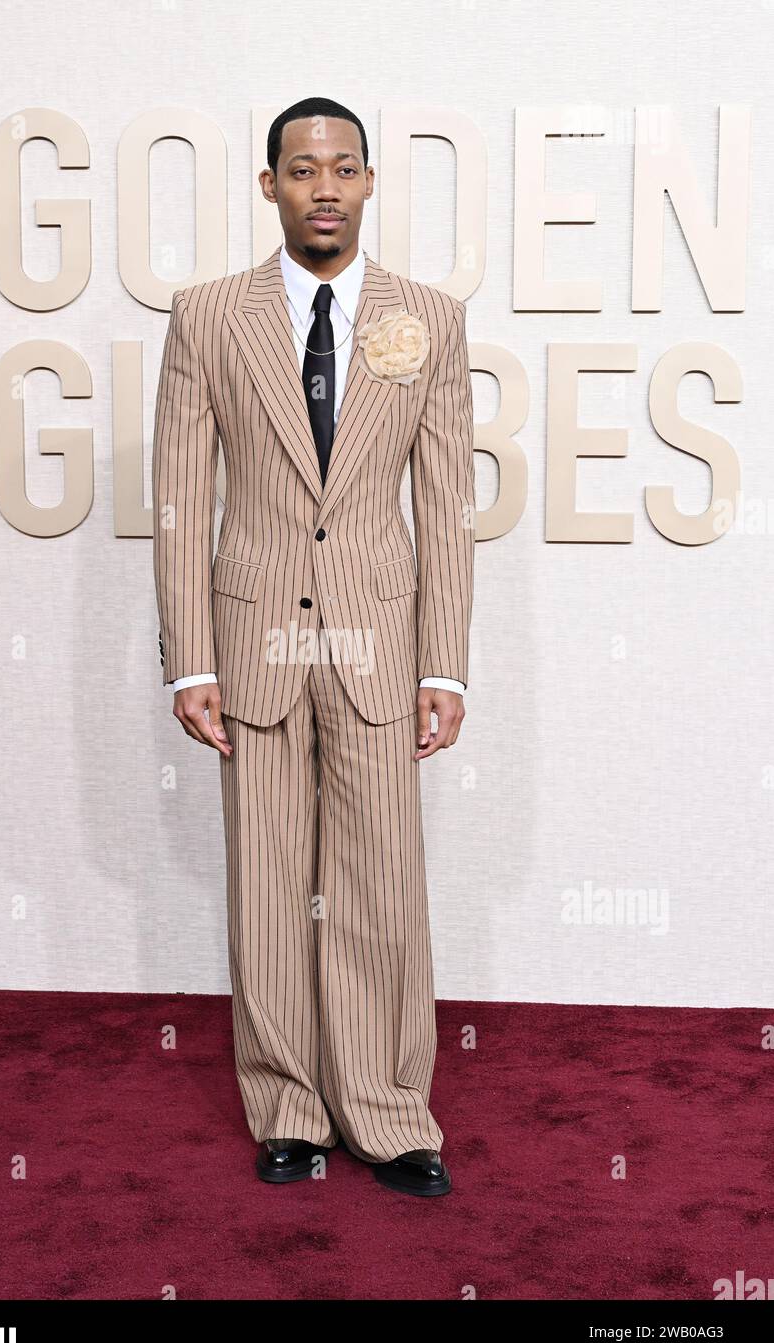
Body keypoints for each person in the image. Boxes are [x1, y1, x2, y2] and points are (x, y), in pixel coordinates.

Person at [153, 97, 474, 1197]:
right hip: (254, 640)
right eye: (302, 169)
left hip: (381, 639)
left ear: (371, 183)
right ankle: (287, 1102)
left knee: (383, 879)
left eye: (343, 167)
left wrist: (444, 662)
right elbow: (180, 498)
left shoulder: (426, 316)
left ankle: (389, 1110)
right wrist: (190, 657)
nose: (323, 186)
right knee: (269, 876)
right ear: (271, 187)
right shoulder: (205, 317)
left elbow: (447, 507)